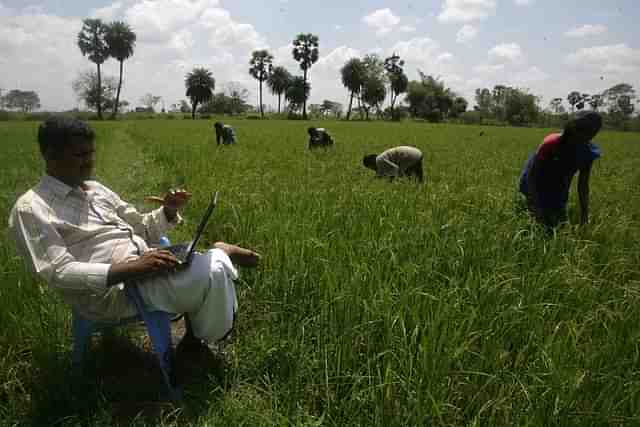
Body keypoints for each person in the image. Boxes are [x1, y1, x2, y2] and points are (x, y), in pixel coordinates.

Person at [9, 117, 260, 349]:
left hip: (146, 264)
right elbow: (57, 272)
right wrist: (134, 268)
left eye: (91, 153)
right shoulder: (32, 208)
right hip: (114, 293)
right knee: (214, 269)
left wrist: (168, 211)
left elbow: (142, 227)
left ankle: (197, 334)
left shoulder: (96, 189)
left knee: (205, 265)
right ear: (51, 155)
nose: (89, 161)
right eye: (80, 155)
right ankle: (199, 340)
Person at [519, 110, 602, 228]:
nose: (585, 137)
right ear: (572, 127)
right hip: (535, 180)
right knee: (539, 221)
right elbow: (532, 176)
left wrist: (584, 216)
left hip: (559, 186)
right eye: (582, 131)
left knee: (559, 222)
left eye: (592, 133)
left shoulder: (588, 153)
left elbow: (583, 185)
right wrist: (536, 206)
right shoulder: (551, 143)